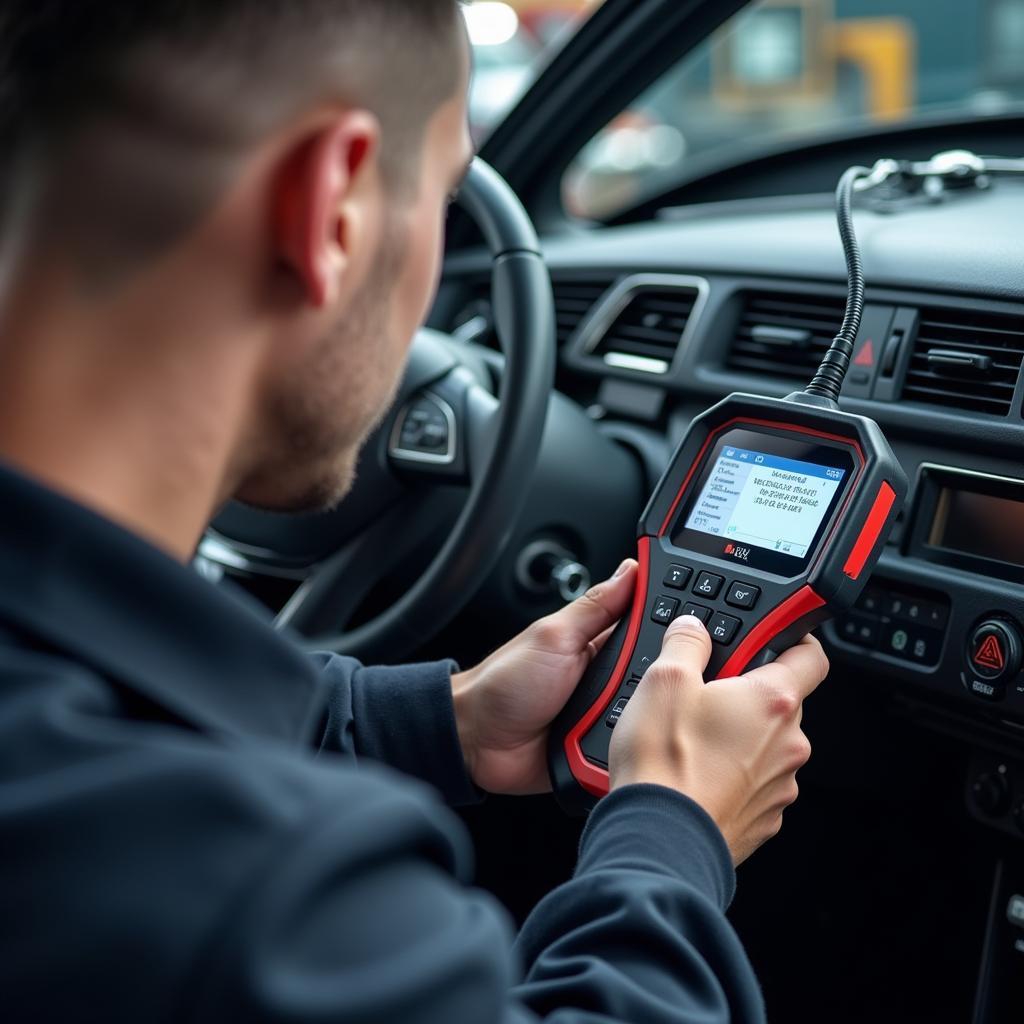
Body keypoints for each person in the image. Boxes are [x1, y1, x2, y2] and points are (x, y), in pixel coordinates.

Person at [0, 3, 827, 1021]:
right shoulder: (261, 899)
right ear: (330, 206)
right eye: (439, 201)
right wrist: (671, 830)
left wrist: (437, 721)